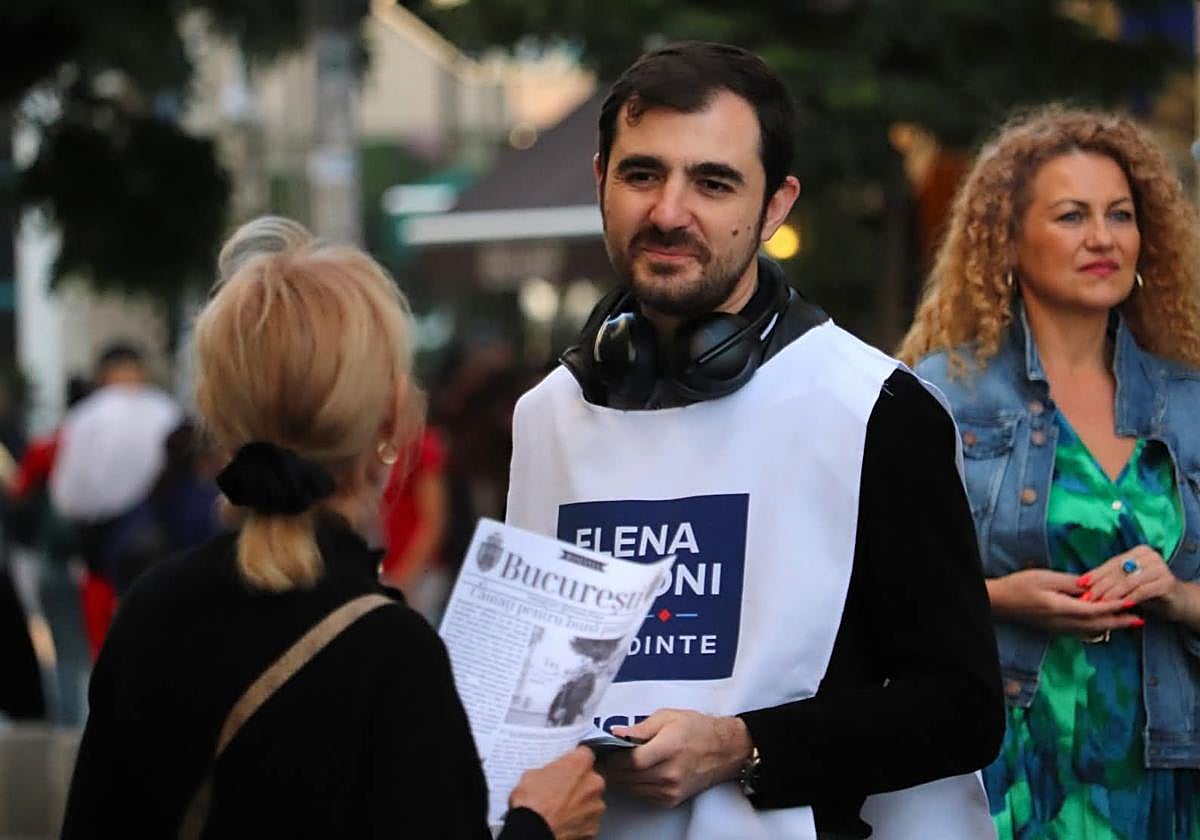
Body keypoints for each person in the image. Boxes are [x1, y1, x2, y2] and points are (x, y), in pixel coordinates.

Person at [505, 41, 1003, 839]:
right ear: (600, 179)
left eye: (713, 182)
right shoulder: (547, 417)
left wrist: (743, 746)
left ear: (775, 205)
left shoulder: (874, 409)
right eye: (642, 174)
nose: (669, 211)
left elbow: (962, 709)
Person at [62, 217, 605, 839]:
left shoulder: (149, 612)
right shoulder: (391, 652)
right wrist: (542, 826)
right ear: (391, 422)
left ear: (219, 414)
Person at [898, 106, 1200, 838]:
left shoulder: (1190, 401)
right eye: (1071, 216)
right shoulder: (935, 395)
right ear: (1005, 240)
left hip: (1162, 770)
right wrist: (997, 597)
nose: (1102, 238)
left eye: (1120, 216)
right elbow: (867, 592)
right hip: (998, 772)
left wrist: (1177, 594)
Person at [49, 343, 182, 656]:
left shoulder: (87, 416)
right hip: (167, 536)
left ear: (103, 374)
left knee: (113, 642)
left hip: (107, 541)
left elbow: (66, 493)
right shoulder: (168, 411)